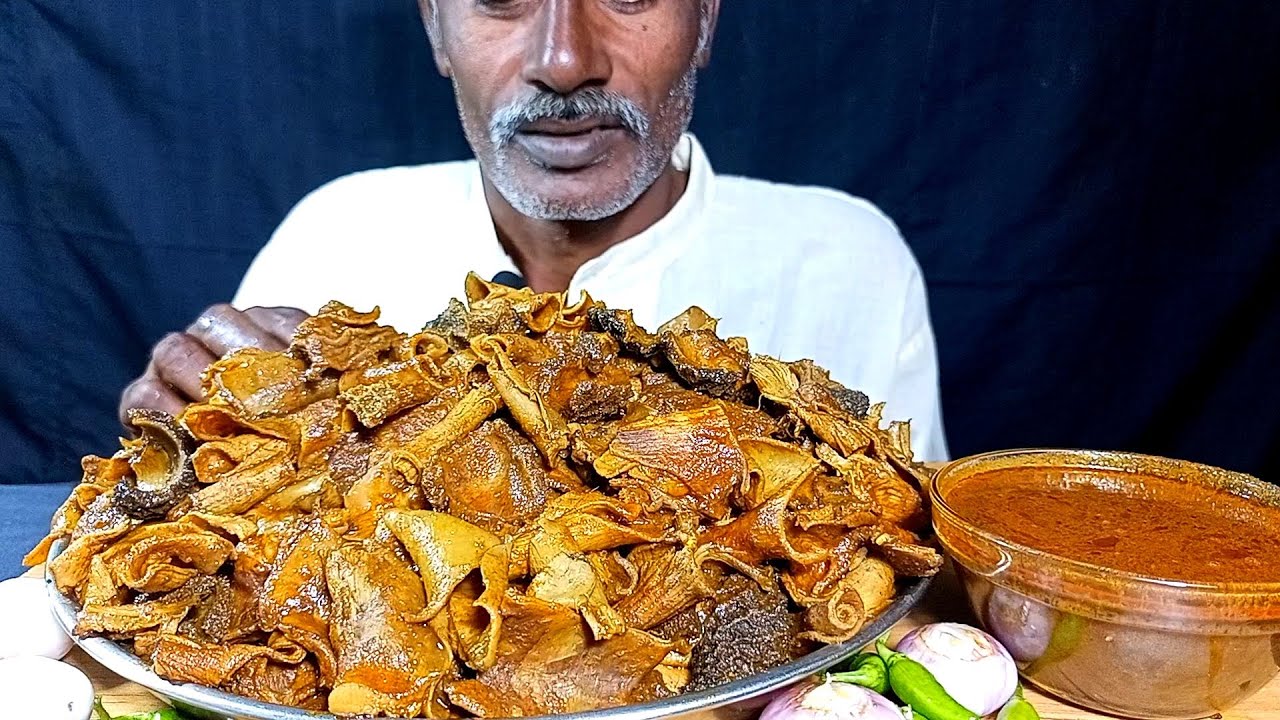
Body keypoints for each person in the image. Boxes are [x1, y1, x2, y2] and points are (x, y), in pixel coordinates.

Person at [120, 0, 949, 461]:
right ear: (435, 28)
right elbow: (217, 507)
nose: (563, 60)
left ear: (705, 19)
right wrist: (183, 442)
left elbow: (921, 582)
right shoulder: (335, 233)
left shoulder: (850, 262)